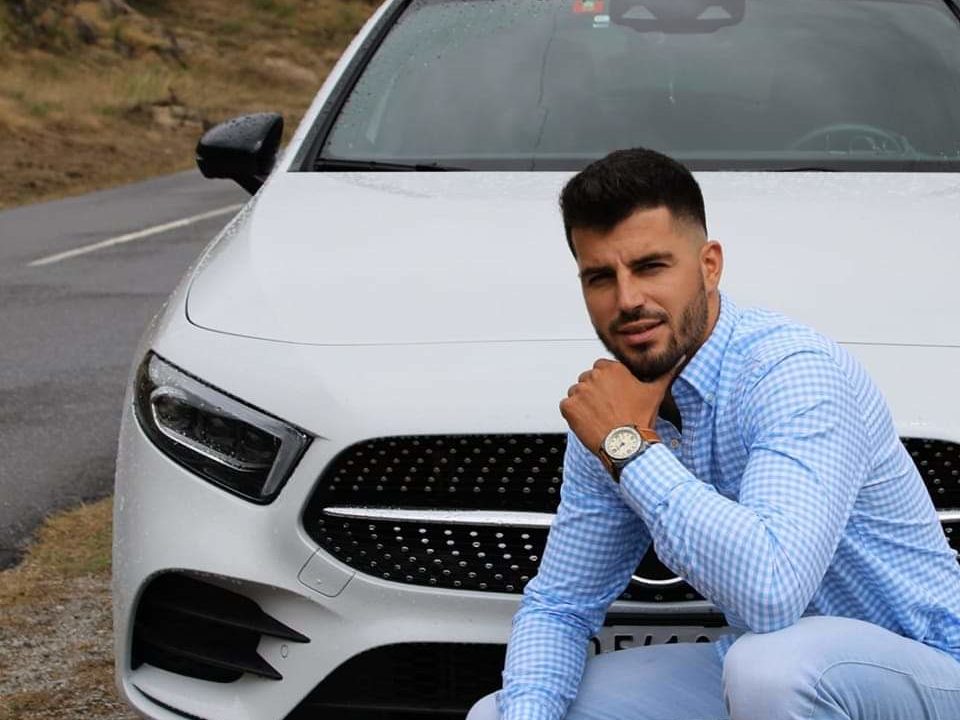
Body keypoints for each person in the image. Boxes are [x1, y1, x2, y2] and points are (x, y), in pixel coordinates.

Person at [466, 148, 960, 720]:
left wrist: (629, 446)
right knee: (501, 712)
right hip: (771, 671)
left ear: (709, 266)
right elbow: (559, 605)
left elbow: (771, 592)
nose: (628, 300)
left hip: (931, 667)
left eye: (651, 267)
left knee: (772, 670)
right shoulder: (610, 410)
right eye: (601, 277)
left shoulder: (791, 372)